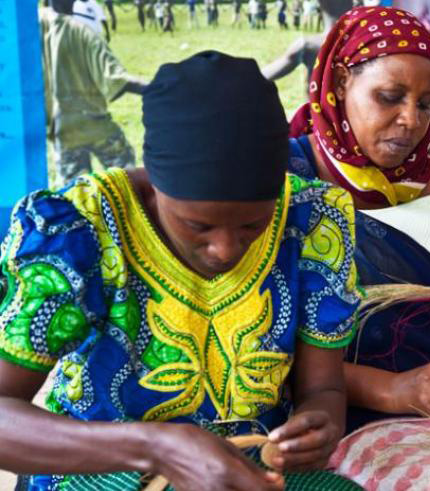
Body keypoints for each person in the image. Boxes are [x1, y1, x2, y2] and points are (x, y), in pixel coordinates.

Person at [0, 51, 361, 491]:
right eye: (198, 225)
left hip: (250, 463)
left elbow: (324, 389)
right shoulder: (78, 231)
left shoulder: (312, 220)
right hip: (99, 467)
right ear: (154, 180)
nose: (225, 249)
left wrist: (315, 426)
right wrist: (157, 448)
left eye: (252, 224)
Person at [286, 6, 430, 431]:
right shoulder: (291, 182)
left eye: (426, 103)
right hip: (361, 422)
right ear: (342, 81)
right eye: (390, 97)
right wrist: (394, 389)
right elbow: (269, 351)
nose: (411, 120)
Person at [41, 0, 146, 189]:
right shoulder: (82, 32)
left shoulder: (35, 26)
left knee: (73, 191)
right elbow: (117, 79)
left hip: (60, 128)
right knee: (126, 175)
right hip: (93, 123)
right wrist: (159, 87)